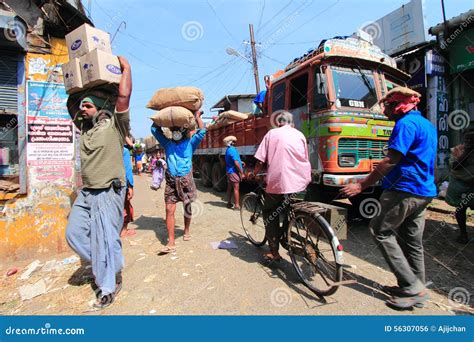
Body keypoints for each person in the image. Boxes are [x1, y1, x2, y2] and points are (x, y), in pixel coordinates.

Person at [340, 86, 437, 310]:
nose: (385, 109)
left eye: (388, 105)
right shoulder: (426, 125)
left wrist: (361, 185)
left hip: (404, 189)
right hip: (424, 191)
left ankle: (412, 287)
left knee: (379, 230)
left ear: (399, 106)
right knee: (411, 240)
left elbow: (390, 161)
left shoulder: (405, 124)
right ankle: (415, 287)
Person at [65, 56, 132, 309]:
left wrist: (126, 70)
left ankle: (108, 286)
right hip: (87, 193)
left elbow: (123, 99)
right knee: (73, 234)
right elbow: (71, 104)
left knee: (105, 238)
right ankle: (108, 264)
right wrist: (77, 82)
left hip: (108, 190)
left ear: (102, 107)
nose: (83, 109)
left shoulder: (115, 125)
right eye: (82, 107)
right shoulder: (86, 130)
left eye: (88, 106)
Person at [253, 111, 311, 261]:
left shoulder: (272, 134)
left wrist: (254, 173)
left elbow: (260, 160)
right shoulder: (300, 135)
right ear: (292, 123)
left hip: (280, 181)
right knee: (290, 209)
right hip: (301, 181)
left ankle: (274, 251)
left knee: (270, 211)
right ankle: (286, 234)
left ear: (279, 122)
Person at [151, 111, 206, 254]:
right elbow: (154, 130)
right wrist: (160, 116)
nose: (176, 132)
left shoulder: (190, 143)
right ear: (171, 131)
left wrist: (198, 116)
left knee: (187, 206)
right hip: (170, 179)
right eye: (173, 130)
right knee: (169, 209)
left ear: (184, 130)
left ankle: (186, 230)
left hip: (185, 179)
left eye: (179, 130)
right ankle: (171, 241)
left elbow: (202, 131)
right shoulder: (167, 143)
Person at [445, 128, 474, 244]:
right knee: (460, 209)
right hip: (461, 185)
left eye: (473, 139)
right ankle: (463, 234)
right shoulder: (458, 150)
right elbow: (455, 166)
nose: (470, 142)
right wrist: (467, 153)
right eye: (467, 139)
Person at [224, 136, 245, 209]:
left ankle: (229, 203)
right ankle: (237, 205)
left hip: (229, 171)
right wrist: (242, 173)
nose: (236, 143)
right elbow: (236, 163)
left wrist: (240, 162)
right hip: (233, 172)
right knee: (236, 188)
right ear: (232, 142)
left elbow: (233, 160)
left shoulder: (228, 149)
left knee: (229, 188)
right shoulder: (233, 150)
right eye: (234, 141)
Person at [121, 136, 135, 238]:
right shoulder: (124, 151)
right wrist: (130, 186)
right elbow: (127, 171)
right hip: (121, 185)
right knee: (125, 208)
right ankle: (123, 230)